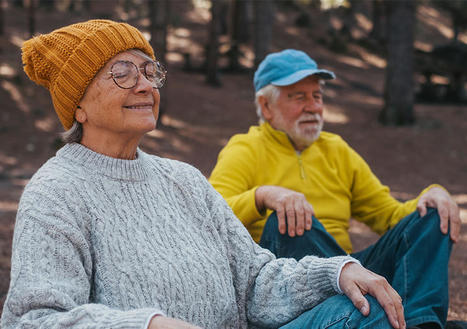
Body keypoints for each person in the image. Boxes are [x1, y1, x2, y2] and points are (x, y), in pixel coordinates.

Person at [0, 21, 407, 329]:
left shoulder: (184, 180)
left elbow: (255, 282)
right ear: (78, 107)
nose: (144, 86)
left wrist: (336, 271)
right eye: (122, 73)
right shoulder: (56, 192)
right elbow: (33, 319)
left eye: (149, 71)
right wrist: (149, 324)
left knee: (363, 307)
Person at [209, 49, 462, 329]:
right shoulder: (245, 148)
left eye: (317, 96)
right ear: (266, 106)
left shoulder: (337, 150)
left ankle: (418, 323)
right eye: (299, 97)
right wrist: (263, 195)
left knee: (431, 216)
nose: (312, 106)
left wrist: (433, 194)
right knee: (289, 220)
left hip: (349, 271)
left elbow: (388, 214)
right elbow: (211, 214)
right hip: (293, 281)